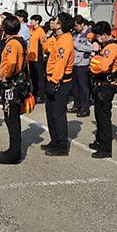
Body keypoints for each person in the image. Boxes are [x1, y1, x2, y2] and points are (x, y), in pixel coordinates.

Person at [0, 17, 28, 164]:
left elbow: (12, 62)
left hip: (12, 84)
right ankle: (14, 150)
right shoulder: (19, 41)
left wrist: (5, 77)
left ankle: (14, 153)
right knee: (12, 118)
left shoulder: (12, 44)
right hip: (18, 83)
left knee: (11, 118)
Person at [43, 12, 75, 156]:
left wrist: (54, 81)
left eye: (55, 21)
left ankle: (62, 145)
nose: (53, 22)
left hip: (60, 82)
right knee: (50, 113)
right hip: (53, 79)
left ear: (60, 24)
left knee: (58, 114)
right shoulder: (59, 38)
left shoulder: (65, 41)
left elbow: (60, 63)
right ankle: (54, 140)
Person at [88, 21, 117, 159]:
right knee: (98, 114)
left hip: (107, 85)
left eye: (99, 36)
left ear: (105, 35)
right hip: (101, 83)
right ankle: (100, 140)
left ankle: (105, 148)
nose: (97, 38)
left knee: (104, 116)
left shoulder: (111, 47)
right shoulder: (105, 45)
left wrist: (93, 64)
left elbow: (103, 66)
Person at [71, 15, 94, 118]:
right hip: (75, 62)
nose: (75, 28)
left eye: (77, 25)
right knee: (75, 86)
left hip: (83, 63)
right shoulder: (75, 34)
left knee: (83, 86)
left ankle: (85, 107)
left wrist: (76, 45)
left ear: (82, 24)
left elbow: (92, 48)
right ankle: (77, 104)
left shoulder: (89, 33)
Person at [27, 14, 47, 103]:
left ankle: (41, 95)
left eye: (33, 20)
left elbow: (44, 44)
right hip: (30, 57)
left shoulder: (40, 31)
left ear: (37, 21)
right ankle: (34, 93)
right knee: (33, 76)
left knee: (39, 77)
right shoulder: (31, 30)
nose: (31, 22)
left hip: (37, 57)